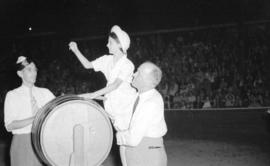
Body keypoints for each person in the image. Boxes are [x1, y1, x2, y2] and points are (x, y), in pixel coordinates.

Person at [69, 25, 137, 166]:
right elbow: (88, 65)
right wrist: (76, 50)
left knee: (131, 144)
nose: (106, 44)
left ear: (119, 44)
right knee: (123, 144)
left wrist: (93, 94)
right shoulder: (107, 59)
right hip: (113, 107)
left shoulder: (128, 64)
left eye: (110, 42)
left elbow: (115, 85)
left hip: (127, 107)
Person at [4, 56, 55, 166]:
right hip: (22, 143)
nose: (34, 73)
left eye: (35, 69)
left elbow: (58, 111)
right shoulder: (13, 95)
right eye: (29, 69)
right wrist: (35, 118)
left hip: (43, 142)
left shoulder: (45, 93)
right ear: (20, 74)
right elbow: (9, 125)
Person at [117, 62, 168, 166]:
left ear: (147, 80)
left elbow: (133, 139)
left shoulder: (150, 103)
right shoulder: (140, 96)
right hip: (142, 152)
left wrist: (119, 135)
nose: (133, 74)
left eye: (138, 72)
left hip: (147, 154)